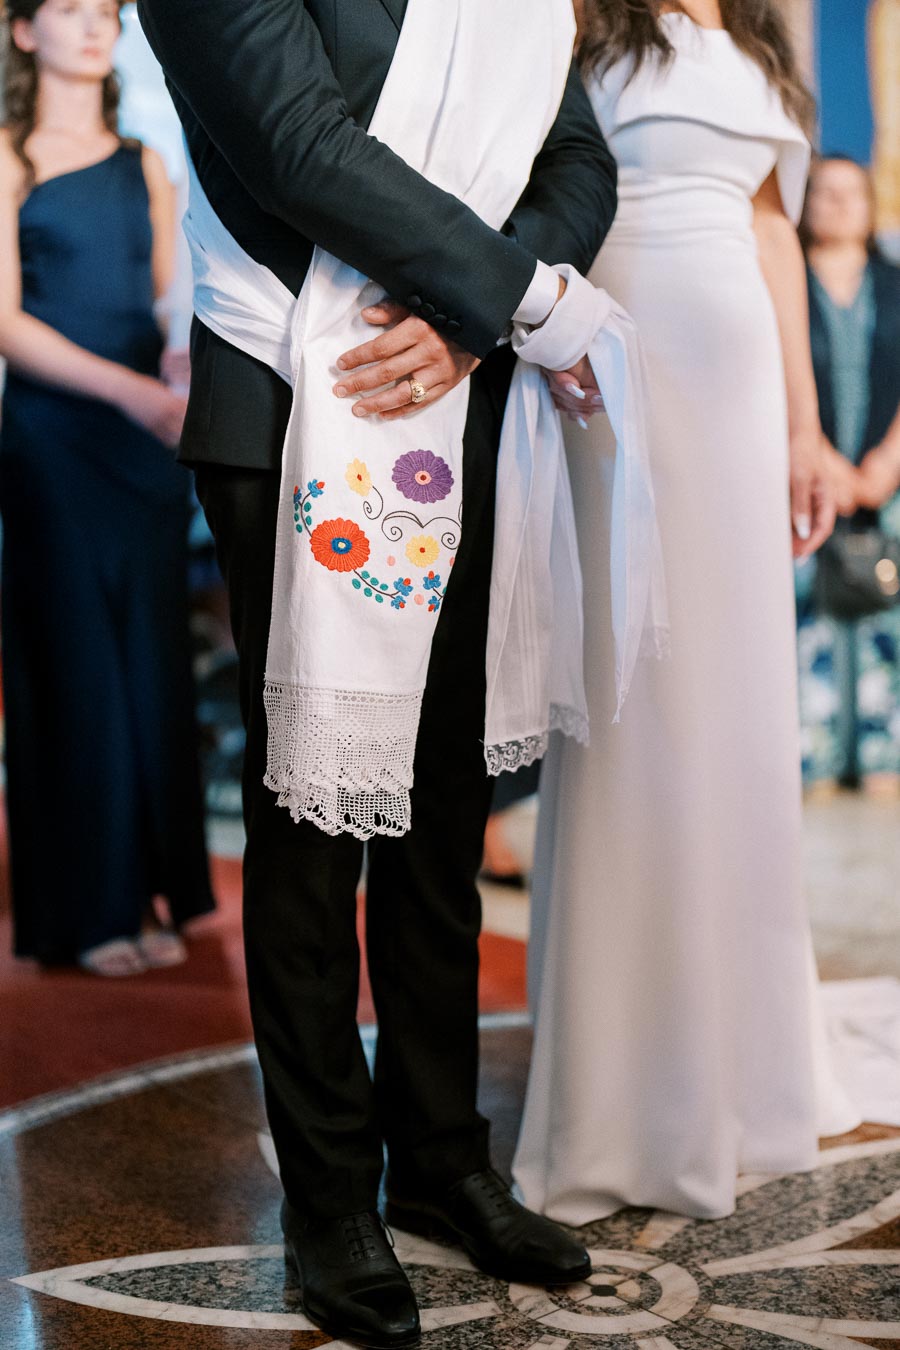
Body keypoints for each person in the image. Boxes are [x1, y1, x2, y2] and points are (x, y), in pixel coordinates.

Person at [135, 0, 617, 1344]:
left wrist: (473, 328)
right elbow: (299, 147)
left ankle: (446, 1158)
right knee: (313, 819)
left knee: (443, 818)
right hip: (293, 395)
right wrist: (515, 297)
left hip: (455, 394)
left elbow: (579, 157)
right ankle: (330, 1200)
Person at [515, 0, 859, 1227]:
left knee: (737, 711)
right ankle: (625, 1090)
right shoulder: (581, 25)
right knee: (635, 704)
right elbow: (539, 189)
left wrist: (807, 426)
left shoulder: (765, 43)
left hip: (744, 390)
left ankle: (748, 1064)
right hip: (619, 369)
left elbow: (773, 238)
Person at [0, 0, 215, 978]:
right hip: (54, 436)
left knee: (151, 660)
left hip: (144, 441)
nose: (95, 27)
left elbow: (172, 297)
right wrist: (132, 390)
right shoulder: (10, 159)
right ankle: (85, 911)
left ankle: (147, 888)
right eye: (72, 10)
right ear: (20, 32)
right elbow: (6, 324)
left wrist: (174, 368)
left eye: (106, 13)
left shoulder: (148, 165)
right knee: (79, 663)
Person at [801, 155, 900, 786]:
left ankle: (883, 756)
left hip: (888, 479)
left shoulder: (895, 283)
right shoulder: (781, 284)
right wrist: (822, 459)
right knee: (805, 613)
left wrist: (887, 461)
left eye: (850, 194)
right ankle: (809, 757)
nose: (838, 205)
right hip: (805, 474)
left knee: (886, 607)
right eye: (824, 193)